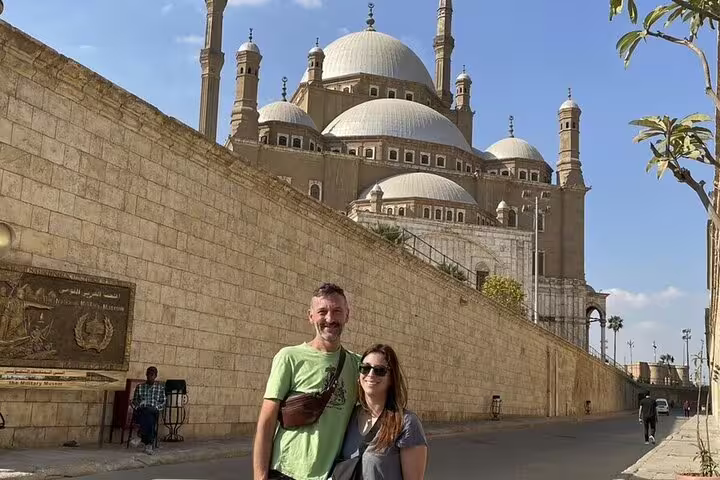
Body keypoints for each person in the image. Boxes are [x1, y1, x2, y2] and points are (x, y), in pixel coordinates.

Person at [253, 283, 360, 480]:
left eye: (337, 311)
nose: (330, 318)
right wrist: (260, 477)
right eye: (322, 311)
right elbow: (266, 423)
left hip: (331, 475)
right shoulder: (289, 357)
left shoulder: (358, 365)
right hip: (286, 471)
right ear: (310, 316)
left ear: (347, 315)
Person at [333, 344, 427, 480]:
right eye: (365, 368)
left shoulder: (406, 423)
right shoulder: (350, 415)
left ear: (391, 379)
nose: (370, 375)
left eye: (380, 370)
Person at [130, 366, 166, 455]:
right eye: (148, 375)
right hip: (142, 410)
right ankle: (148, 444)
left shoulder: (160, 388)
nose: (150, 377)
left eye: (152, 375)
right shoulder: (140, 387)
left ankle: (140, 435)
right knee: (148, 415)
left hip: (154, 409)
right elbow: (135, 400)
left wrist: (157, 407)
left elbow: (163, 402)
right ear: (146, 375)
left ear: (155, 376)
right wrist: (136, 406)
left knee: (149, 412)